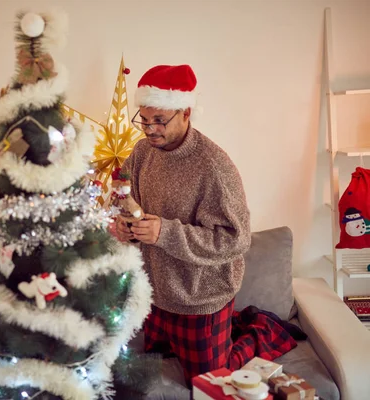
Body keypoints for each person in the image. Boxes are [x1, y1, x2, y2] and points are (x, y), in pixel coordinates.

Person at [117, 64, 254, 383]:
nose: (150, 129)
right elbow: (124, 194)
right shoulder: (142, 152)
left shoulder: (213, 167)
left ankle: (259, 331)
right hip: (155, 295)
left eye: (160, 120)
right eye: (144, 119)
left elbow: (236, 240)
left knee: (210, 381)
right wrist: (126, 225)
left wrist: (164, 232)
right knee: (157, 369)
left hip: (200, 302)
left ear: (186, 113)